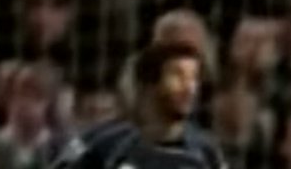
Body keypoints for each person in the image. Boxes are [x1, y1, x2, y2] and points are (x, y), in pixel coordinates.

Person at [53, 42, 224, 169]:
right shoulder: (101, 144)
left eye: (194, 78)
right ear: (147, 86)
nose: (190, 88)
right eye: (177, 76)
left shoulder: (206, 152)